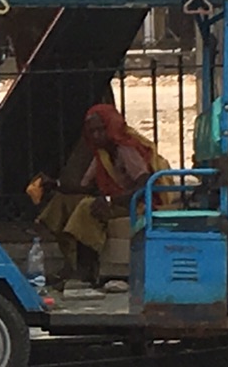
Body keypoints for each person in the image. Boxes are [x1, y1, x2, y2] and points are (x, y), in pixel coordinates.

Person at [29, 102, 168, 288]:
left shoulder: (125, 148)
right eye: (92, 131)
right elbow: (86, 187)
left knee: (88, 207)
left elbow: (143, 184)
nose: (96, 136)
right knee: (64, 201)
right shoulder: (102, 154)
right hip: (115, 202)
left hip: (137, 203)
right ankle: (70, 264)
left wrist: (110, 200)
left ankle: (85, 271)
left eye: (100, 130)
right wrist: (55, 185)